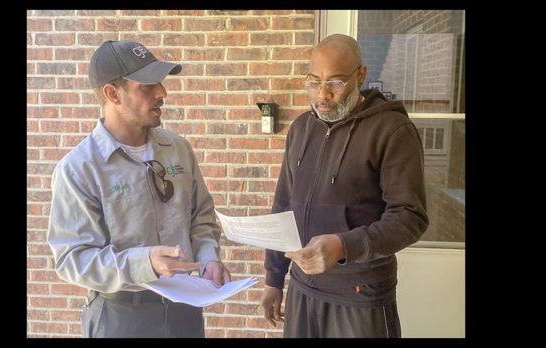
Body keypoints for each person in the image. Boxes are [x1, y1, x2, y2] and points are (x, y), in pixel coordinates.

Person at [47, 40, 231, 338]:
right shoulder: (79, 168)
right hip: (121, 319)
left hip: (185, 312)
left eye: (160, 82)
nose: (163, 92)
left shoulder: (178, 149)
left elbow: (202, 218)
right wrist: (144, 263)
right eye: (147, 86)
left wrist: (209, 258)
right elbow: (72, 259)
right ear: (112, 93)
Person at [261, 34, 428, 338]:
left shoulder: (392, 131)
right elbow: (283, 204)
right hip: (302, 289)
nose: (323, 95)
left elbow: (409, 218)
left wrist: (343, 247)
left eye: (336, 83)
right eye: (313, 82)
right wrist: (274, 278)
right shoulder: (300, 129)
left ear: (360, 75)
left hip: (360, 295)